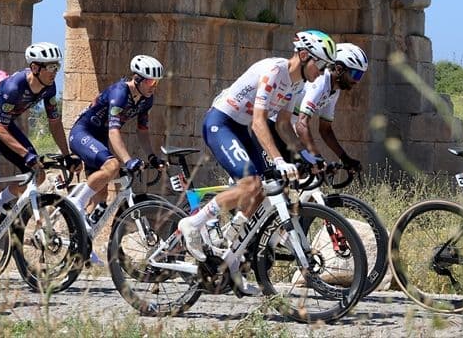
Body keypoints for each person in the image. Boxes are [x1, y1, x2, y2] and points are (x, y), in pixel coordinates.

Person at [176, 30, 337, 260]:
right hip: (221, 122)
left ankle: (230, 242)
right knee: (250, 185)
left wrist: (308, 157)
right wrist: (279, 160)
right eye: (320, 66)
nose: (322, 73)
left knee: (265, 186)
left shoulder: (297, 85)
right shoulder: (274, 71)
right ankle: (193, 223)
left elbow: (283, 125)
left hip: (240, 128)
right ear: (303, 55)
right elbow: (260, 122)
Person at [0, 42, 77, 243]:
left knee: (39, 174)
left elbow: (54, 123)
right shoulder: (14, 86)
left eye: (57, 66)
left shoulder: (49, 87)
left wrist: (66, 155)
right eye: (51, 67)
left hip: (5, 125)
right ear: (35, 68)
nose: (55, 72)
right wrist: (27, 155)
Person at [67, 54, 164, 217]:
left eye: (157, 82)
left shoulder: (146, 100)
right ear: (137, 79)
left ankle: (83, 232)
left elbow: (142, 131)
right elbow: (114, 131)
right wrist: (128, 160)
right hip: (83, 133)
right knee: (113, 165)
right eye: (150, 81)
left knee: (101, 196)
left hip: (100, 139)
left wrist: (152, 157)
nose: (153, 86)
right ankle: (75, 204)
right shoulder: (120, 93)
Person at [293, 42, 368, 172]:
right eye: (355, 74)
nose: (357, 81)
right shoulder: (321, 82)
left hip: (290, 130)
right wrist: (316, 156)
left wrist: (345, 158)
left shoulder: (334, 90)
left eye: (360, 76)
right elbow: (301, 124)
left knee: (305, 176)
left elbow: (325, 130)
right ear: (339, 69)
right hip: (278, 126)